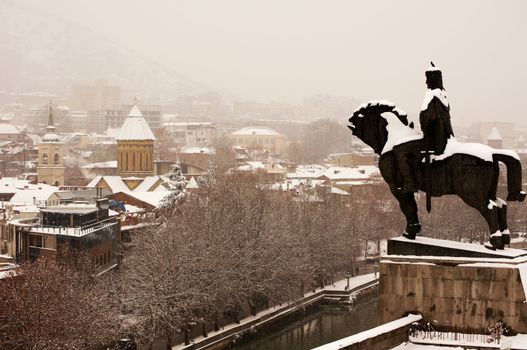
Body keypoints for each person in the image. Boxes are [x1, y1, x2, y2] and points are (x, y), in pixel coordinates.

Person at [394, 62, 454, 193]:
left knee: (399, 150)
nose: (426, 82)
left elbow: (427, 120)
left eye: (428, 78)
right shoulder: (442, 95)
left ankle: (410, 183)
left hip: (433, 141)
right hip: (443, 138)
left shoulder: (433, 96)